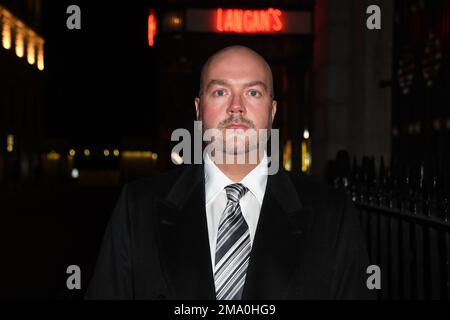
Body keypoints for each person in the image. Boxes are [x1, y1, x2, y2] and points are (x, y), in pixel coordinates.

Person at [85, 45, 374, 300]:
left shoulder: (331, 215)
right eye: (221, 91)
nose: (236, 107)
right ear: (199, 110)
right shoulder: (137, 208)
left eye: (253, 92)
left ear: (272, 111)